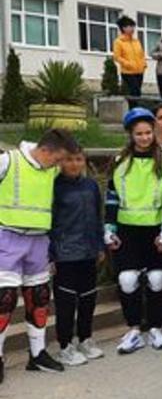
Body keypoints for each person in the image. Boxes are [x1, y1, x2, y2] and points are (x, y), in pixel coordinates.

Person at [0, 129, 78, 382]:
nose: (59, 166)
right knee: (4, 299)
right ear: (45, 151)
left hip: (38, 240)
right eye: (57, 160)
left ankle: (37, 354)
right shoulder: (8, 161)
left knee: (40, 296)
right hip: (7, 236)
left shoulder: (50, 168)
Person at [105, 108, 162, 354]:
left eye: (147, 133)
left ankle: (155, 328)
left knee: (157, 279)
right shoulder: (119, 161)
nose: (144, 138)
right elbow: (111, 197)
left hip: (155, 229)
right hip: (127, 229)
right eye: (139, 133)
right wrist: (108, 227)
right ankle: (133, 329)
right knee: (127, 280)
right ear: (131, 135)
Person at [49, 145, 106, 367]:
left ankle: (85, 339)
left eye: (79, 159)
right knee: (65, 303)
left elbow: (97, 216)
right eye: (69, 160)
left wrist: (100, 245)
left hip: (89, 251)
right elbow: (49, 222)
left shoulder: (91, 186)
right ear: (60, 162)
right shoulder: (54, 187)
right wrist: (50, 254)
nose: (74, 164)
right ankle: (65, 346)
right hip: (65, 254)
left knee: (88, 299)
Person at [113, 15, 145, 107]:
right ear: (123, 28)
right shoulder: (119, 42)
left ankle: (137, 110)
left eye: (133, 26)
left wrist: (144, 64)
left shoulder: (136, 41)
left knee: (138, 93)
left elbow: (141, 54)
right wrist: (128, 64)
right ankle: (133, 111)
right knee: (134, 92)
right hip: (128, 72)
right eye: (130, 26)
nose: (132, 29)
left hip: (139, 71)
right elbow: (117, 57)